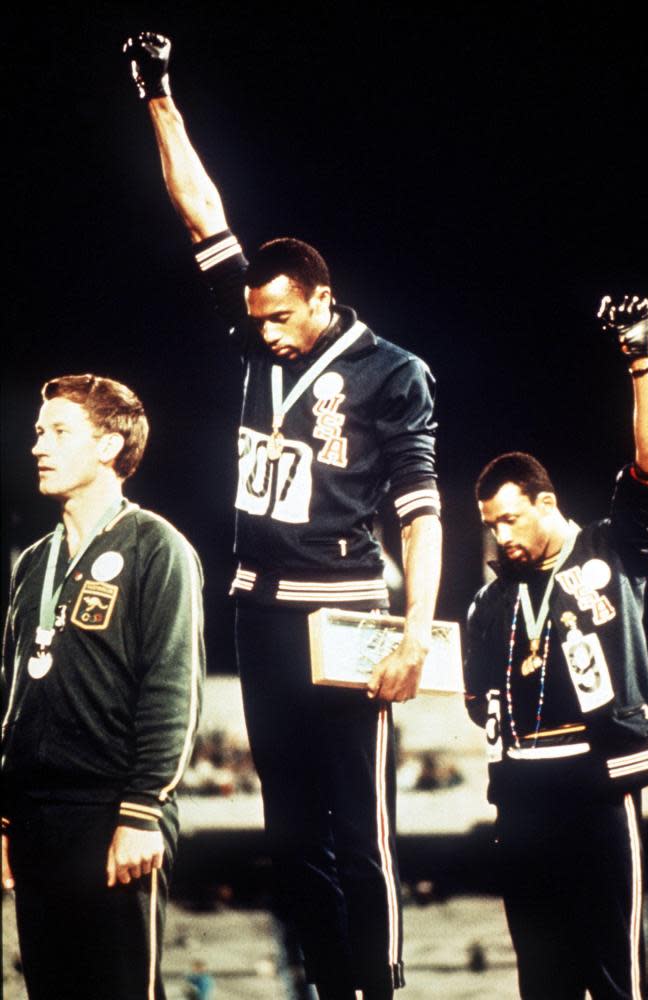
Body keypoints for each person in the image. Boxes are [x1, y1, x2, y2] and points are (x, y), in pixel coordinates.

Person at [123, 32, 442, 999]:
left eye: (278, 319)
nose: (259, 333)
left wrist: (417, 635)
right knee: (290, 829)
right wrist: (158, 96)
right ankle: (325, 987)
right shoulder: (255, 330)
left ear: (321, 301)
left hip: (348, 611)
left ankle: (379, 987)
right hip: (258, 608)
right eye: (254, 318)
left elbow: (421, 513)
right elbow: (199, 213)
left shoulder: (394, 373)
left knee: (361, 827)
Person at [464, 295, 648, 999]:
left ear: (545, 504)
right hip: (519, 793)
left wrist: (638, 359)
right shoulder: (489, 601)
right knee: (541, 982)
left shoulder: (609, 550)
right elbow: (472, 701)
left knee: (614, 975)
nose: (501, 537)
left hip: (594, 782)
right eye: (491, 526)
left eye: (511, 519)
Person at [1, 374, 205, 1000]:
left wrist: (144, 811)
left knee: (118, 988)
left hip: (114, 813)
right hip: (36, 818)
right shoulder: (33, 562)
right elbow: (11, 696)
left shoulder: (157, 547)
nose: (40, 446)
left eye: (60, 432)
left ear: (110, 445)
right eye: (39, 432)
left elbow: (174, 688)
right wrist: (5, 816)